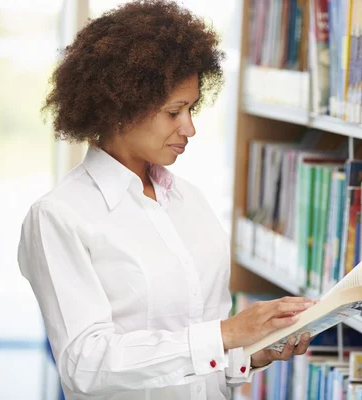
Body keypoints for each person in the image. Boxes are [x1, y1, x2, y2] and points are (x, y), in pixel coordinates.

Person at [17, 1, 314, 399]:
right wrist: (225, 334)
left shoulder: (190, 202)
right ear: (120, 107)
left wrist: (252, 349)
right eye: (174, 112)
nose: (189, 127)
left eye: (191, 108)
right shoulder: (59, 217)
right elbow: (85, 365)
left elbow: (200, 356)